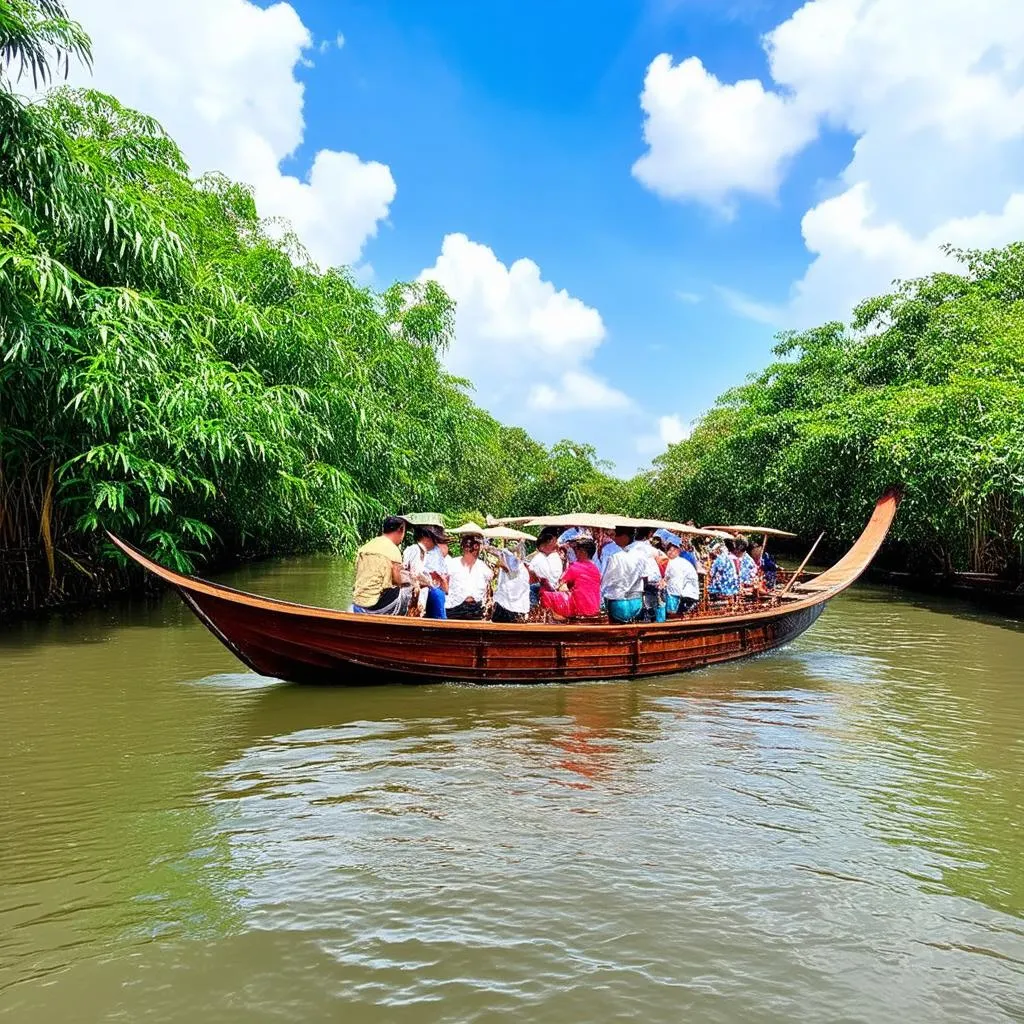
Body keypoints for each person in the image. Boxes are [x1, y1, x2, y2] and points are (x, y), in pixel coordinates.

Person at [351, 515, 410, 615]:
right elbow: (397, 580)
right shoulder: (393, 550)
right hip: (375, 605)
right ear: (400, 530)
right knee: (408, 589)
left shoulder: (366, 546)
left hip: (358, 601)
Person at [541, 536, 602, 620]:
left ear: (582, 551)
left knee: (544, 593)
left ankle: (557, 618)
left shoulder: (575, 566)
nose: (574, 552)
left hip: (579, 609)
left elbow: (560, 587)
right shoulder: (596, 569)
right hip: (595, 608)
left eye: (576, 549)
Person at [445, 531, 493, 620]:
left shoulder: (483, 566)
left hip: (476, 608)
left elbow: (489, 581)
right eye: (466, 546)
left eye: (475, 546)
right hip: (454, 607)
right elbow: (444, 581)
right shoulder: (452, 563)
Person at [601, 526, 644, 622]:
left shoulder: (613, 555)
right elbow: (646, 576)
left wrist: (601, 593)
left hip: (617, 600)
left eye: (616, 535)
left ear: (624, 537)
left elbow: (606, 577)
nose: (614, 538)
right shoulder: (640, 554)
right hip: (636, 600)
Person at [490, 540, 531, 623]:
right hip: (504, 606)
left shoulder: (520, 569)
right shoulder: (519, 568)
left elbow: (510, 570)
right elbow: (495, 551)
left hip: (516, 609)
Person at [629, 527, 664, 622]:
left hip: (635, 581)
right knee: (652, 606)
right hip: (652, 580)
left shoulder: (629, 548)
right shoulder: (652, 550)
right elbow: (662, 561)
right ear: (649, 534)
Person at [402, 526, 440, 615]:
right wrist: (430, 582)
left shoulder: (424, 553)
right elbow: (414, 574)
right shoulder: (414, 549)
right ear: (426, 538)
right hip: (410, 596)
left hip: (419, 597)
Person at [664, 535, 700, 615]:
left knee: (672, 612)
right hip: (690, 594)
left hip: (685, 595)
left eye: (672, 550)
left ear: (678, 551)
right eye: (668, 550)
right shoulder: (678, 561)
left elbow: (675, 584)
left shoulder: (676, 562)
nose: (670, 552)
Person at [528, 528, 563, 607]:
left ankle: (533, 608)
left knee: (529, 589)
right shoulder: (543, 557)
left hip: (548, 586)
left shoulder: (552, 556)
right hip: (551, 586)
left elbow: (534, 572)